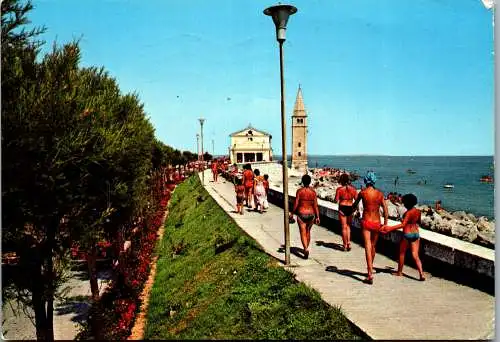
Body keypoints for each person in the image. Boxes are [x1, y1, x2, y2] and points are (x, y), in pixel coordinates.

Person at [352, 171, 388, 284]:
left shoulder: (363, 193)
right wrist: (385, 223)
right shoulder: (380, 194)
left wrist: (354, 210)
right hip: (377, 222)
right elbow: (386, 210)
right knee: (373, 246)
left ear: (365, 181)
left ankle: (370, 273)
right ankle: (370, 268)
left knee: (367, 246)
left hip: (366, 221)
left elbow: (355, 204)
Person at [381, 194, 425, 281]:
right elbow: (418, 222)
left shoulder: (408, 213)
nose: (403, 204)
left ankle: (399, 272)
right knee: (415, 255)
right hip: (416, 234)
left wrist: (390, 228)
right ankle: (421, 274)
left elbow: (403, 224)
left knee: (402, 253)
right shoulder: (418, 211)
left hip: (407, 234)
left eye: (404, 203)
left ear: (407, 203)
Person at [289, 174, 320, 259]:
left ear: (302, 181)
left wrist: (292, 213)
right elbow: (315, 205)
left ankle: (305, 248)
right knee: (308, 231)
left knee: (302, 232)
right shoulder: (313, 192)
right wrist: (318, 217)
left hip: (301, 213)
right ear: (310, 182)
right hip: (311, 214)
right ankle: (306, 247)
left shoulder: (299, 191)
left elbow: (296, 203)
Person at [334, 173, 358, 251]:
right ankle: (348, 243)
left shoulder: (339, 189)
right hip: (350, 208)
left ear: (341, 181)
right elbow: (357, 200)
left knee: (343, 227)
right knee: (348, 227)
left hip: (342, 207)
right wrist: (356, 209)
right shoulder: (353, 189)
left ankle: (344, 245)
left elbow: (336, 200)